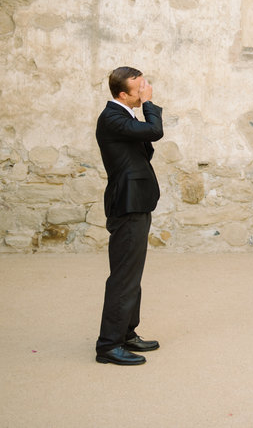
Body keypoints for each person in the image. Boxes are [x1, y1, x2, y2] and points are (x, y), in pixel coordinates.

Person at [95, 66, 164, 365]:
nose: (146, 90)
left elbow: (143, 151)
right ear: (123, 94)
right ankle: (109, 346)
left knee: (132, 275)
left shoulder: (124, 117)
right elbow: (155, 132)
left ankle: (126, 334)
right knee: (124, 277)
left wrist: (142, 109)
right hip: (127, 205)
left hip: (137, 202)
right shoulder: (111, 117)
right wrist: (149, 105)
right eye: (140, 88)